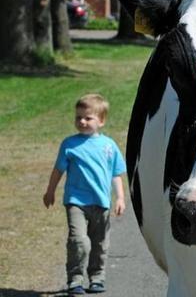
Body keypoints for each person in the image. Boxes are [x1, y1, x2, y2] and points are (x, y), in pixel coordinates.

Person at [43, 93, 127, 296]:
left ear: (101, 120)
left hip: (101, 202)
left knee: (100, 244)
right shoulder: (69, 144)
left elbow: (115, 174)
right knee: (78, 240)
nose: (82, 121)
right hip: (75, 201)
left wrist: (120, 198)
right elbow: (58, 170)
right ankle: (75, 279)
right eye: (78, 117)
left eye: (87, 118)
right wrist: (50, 191)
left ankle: (97, 278)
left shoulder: (109, 146)